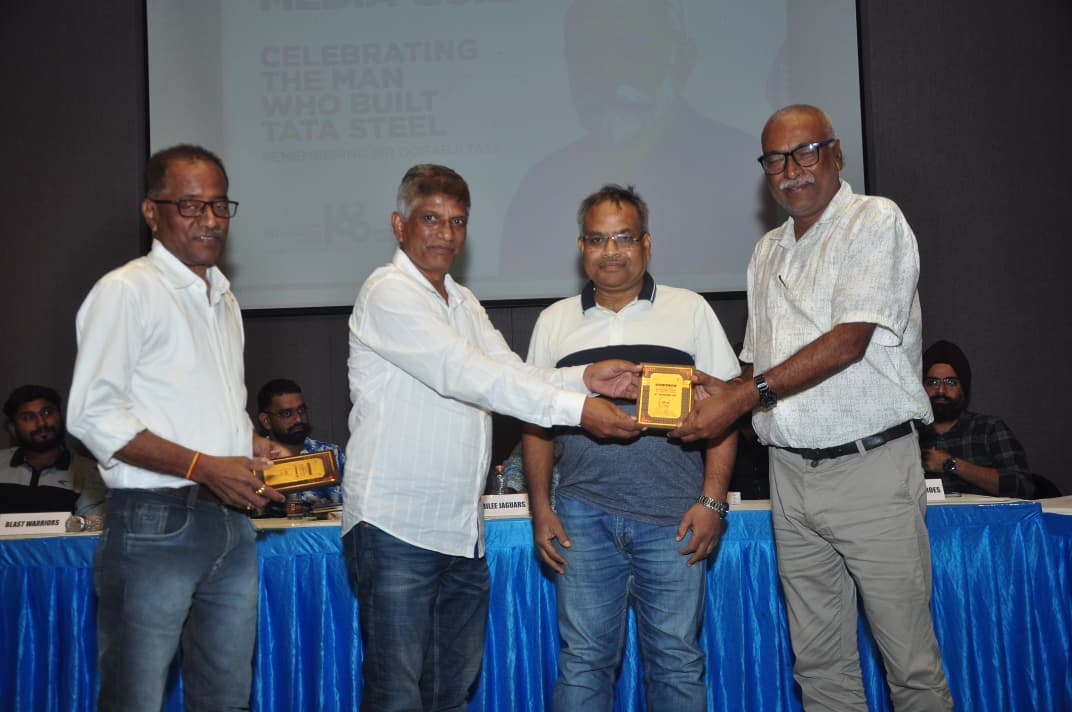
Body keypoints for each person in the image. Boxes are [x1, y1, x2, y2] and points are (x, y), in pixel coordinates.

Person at [670, 105, 954, 710]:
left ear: (836, 153)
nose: (792, 169)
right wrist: (721, 393)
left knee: (909, 666)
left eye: (806, 152)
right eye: (776, 159)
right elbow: (757, 365)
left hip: (870, 469)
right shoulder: (766, 251)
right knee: (820, 667)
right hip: (789, 475)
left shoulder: (874, 220)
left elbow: (849, 342)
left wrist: (740, 397)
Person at [343, 164, 643, 711]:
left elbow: (511, 371)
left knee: (450, 693)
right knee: (395, 696)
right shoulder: (388, 292)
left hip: (461, 532)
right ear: (399, 225)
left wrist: (585, 378)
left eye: (457, 222)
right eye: (430, 219)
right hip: (395, 527)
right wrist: (580, 409)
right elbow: (468, 375)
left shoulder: (461, 300)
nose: (445, 233)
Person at [67, 144, 285, 711]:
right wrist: (205, 466)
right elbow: (92, 416)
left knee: (227, 700)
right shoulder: (127, 290)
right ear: (151, 212)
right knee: (135, 699)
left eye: (219, 205)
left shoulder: (223, 299)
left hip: (231, 523)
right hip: (153, 522)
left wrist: (254, 445)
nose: (209, 219)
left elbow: (206, 407)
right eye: (190, 205)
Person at [523, 184, 740, 709]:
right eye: (598, 239)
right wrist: (540, 509)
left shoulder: (690, 309)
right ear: (582, 247)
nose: (611, 251)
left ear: (646, 244)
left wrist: (713, 501)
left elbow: (726, 409)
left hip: (675, 519)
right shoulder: (554, 321)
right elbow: (535, 422)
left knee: (677, 663)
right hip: (581, 518)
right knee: (582, 663)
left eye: (623, 237)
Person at [498, 0, 763, 287]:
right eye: (588, 54)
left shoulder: (739, 165)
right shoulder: (540, 187)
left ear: (682, 58)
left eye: (633, 49)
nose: (609, 74)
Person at [918, 340, 1041, 498]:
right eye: (933, 382)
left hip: (981, 515)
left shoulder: (988, 429)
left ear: (963, 388)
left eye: (950, 382)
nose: (941, 390)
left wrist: (950, 464)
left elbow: (1022, 487)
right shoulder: (909, 435)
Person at [1, 384, 106, 523]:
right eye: (28, 417)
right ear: (13, 428)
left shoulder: (89, 472)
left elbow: (91, 529)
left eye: (47, 413)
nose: (41, 423)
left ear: (61, 416)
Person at [257, 378, 345, 511]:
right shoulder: (254, 462)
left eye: (301, 410)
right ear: (266, 421)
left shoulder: (333, 454)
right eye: (286, 413)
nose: (298, 419)